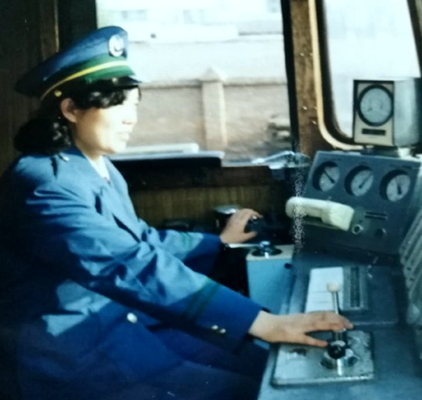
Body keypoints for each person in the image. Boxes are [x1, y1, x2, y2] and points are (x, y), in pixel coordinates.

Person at [0, 26, 352, 400]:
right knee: (256, 391)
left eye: (134, 104)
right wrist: (261, 321)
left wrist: (217, 242)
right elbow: (127, 262)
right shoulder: (44, 184)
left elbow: (140, 239)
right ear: (70, 109)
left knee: (264, 365)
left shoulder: (95, 166)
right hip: (75, 356)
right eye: (116, 104)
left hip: (125, 327)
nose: (130, 118)